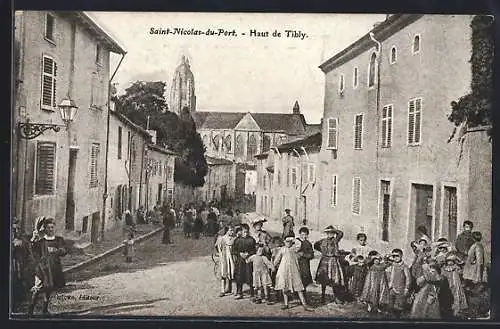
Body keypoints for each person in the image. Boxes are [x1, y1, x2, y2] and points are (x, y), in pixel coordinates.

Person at [28, 217, 67, 316]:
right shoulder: (41, 241)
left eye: (52, 227)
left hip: (53, 268)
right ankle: (30, 310)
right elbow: (33, 250)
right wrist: (33, 240)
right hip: (42, 268)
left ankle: (45, 309)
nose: (51, 229)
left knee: (49, 289)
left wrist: (57, 251)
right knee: (37, 288)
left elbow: (64, 251)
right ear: (45, 229)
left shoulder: (59, 240)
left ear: (54, 228)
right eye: (48, 227)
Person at [273, 236, 312, 311]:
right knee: (285, 287)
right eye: (287, 241)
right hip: (284, 270)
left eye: (290, 241)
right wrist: (273, 266)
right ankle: (286, 304)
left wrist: (293, 239)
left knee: (299, 287)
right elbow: (277, 259)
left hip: (294, 270)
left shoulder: (294, 248)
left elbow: (299, 243)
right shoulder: (282, 249)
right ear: (284, 242)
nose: (288, 243)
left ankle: (304, 305)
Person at [314, 225, 345, 305]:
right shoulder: (322, 241)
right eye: (328, 233)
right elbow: (315, 245)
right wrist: (322, 251)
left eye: (331, 233)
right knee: (323, 279)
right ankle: (323, 297)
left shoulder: (335, 240)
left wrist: (334, 230)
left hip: (333, 261)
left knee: (335, 280)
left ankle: (336, 298)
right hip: (324, 260)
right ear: (326, 233)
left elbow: (341, 233)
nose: (330, 234)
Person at [12, 219, 35, 312]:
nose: (16, 231)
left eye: (18, 229)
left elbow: (29, 249)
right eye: (14, 229)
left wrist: (32, 241)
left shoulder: (22, 240)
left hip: (20, 266)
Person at [440, 252, 468, 319]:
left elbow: (461, 272)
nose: (450, 263)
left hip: (456, 283)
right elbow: (443, 275)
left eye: (452, 261)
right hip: (448, 284)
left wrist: (460, 266)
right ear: (446, 262)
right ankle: (451, 307)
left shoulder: (456, 267)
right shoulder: (445, 268)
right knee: (450, 295)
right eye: (448, 261)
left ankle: (458, 308)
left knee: (457, 294)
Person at [232, 224, 256, 300]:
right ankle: (239, 292)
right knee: (239, 276)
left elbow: (254, 250)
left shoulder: (251, 240)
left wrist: (248, 253)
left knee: (250, 275)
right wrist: (239, 253)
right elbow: (233, 250)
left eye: (247, 232)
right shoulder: (237, 240)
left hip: (248, 260)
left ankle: (252, 292)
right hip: (240, 261)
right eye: (244, 232)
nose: (246, 233)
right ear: (241, 232)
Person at [386, 249, 411, 318]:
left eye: (397, 256)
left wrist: (407, 288)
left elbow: (408, 278)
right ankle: (391, 317)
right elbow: (392, 275)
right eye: (393, 256)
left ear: (401, 256)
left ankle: (398, 317)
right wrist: (390, 284)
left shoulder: (404, 266)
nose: (395, 258)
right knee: (391, 304)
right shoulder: (393, 265)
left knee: (399, 305)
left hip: (401, 288)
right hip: (392, 287)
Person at [346, 233, 371, 302]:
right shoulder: (355, 247)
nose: (362, 242)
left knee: (362, 281)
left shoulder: (368, 248)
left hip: (364, 266)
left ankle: (361, 295)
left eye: (364, 240)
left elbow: (369, 257)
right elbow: (351, 256)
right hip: (357, 266)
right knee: (355, 281)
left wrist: (365, 261)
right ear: (358, 240)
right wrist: (356, 259)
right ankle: (353, 295)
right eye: (361, 240)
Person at [215, 226, 236, 297]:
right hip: (224, 257)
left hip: (232, 257)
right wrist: (221, 255)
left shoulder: (234, 239)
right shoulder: (222, 238)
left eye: (232, 231)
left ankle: (231, 289)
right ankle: (222, 290)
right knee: (223, 272)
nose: (232, 232)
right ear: (227, 231)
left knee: (231, 271)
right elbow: (218, 247)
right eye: (230, 230)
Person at [296, 227, 314, 301]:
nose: (304, 236)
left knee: (304, 280)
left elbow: (311, 255)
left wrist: (304, 255)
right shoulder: (296, 241)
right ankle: (296, 296)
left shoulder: (308, 243)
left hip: (305, 264)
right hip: (296, 263)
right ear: (299, 234)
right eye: (302, 234)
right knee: (296, 279)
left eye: (306, 234)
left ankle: (303, 296)